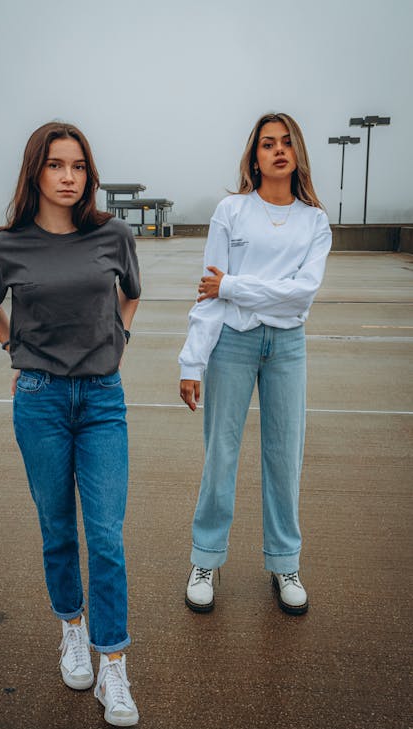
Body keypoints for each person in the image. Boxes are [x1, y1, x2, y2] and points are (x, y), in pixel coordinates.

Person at [0, 121, 141, 726]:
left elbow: (131, 293)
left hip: (102, 401)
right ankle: (72, 627)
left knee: (106, 535)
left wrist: (118, 340)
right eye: (55, 165)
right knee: (57, 528)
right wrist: (15, 352)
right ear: (35, 173)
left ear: (88, 174)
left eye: (77, 166)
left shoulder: (113, 235)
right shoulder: (5, 247)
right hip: (39, 400)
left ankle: (113, 665)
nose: (68, 177)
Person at [179, 112, 332, 616]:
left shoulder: (315, 222)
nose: (278, 151)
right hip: (233, 345)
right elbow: (209, 294)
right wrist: (191, 361)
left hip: (288, 348)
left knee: (284, 457)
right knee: (220, 454)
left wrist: (234, 286)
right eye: (268, 144)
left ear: (298, 153)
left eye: (287, 143)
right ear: (255, 156)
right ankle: (206, 561)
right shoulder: (231, 211)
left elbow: (301, 296)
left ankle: (284, 563)